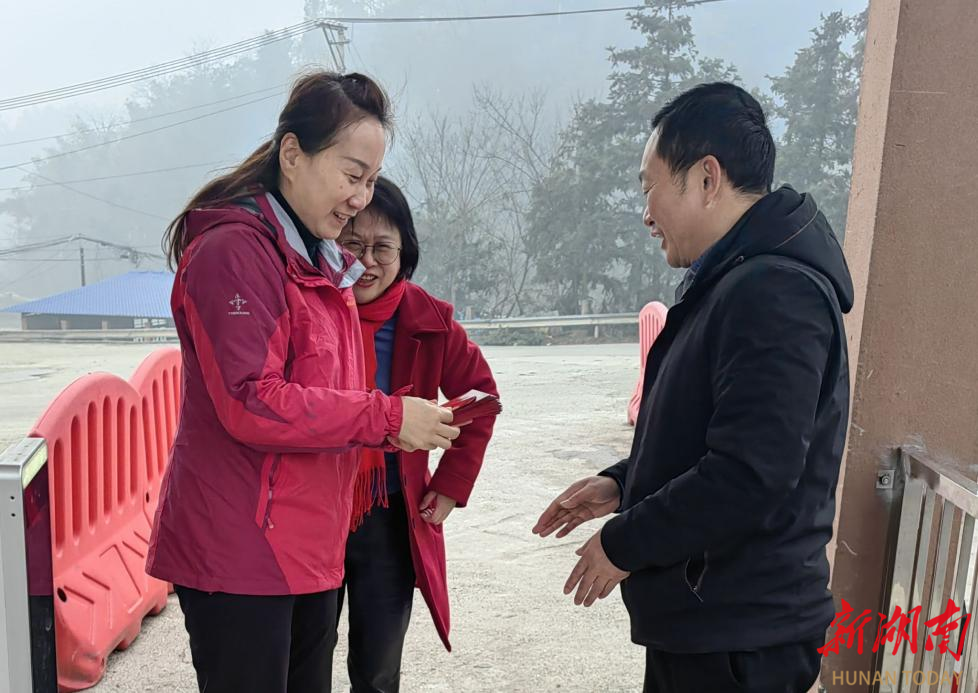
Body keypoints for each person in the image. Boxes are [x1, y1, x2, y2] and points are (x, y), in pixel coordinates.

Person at [146, 71, 461, 693]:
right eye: (352, 175)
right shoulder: (234, 253)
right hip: (242, 552)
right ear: (292, 154)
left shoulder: (322, 262)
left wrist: (399, 425)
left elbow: (328, 398)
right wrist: (388, 417)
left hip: (311, 550)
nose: (360, 197)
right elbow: (251, 401)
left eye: (371, 179)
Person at [533, 82, 854, 693]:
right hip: (717, 625)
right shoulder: (735, 281)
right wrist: (624, 482)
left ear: (707, 178)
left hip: (740, 638)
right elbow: (713, 432)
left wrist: (625, 542)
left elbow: (750, 473)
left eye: (648, 187)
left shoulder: (774, 292)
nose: (646, 214)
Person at [335, 176, 498, 692]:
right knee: (303, 655)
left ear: (404, 253)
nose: (366, 261)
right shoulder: (313, 309)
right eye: (352, 244)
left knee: (378, 666)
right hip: (314, 510)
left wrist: (448, 486)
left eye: (382, 247)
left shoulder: (430, 320)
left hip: (388, 516)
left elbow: (481, 399)